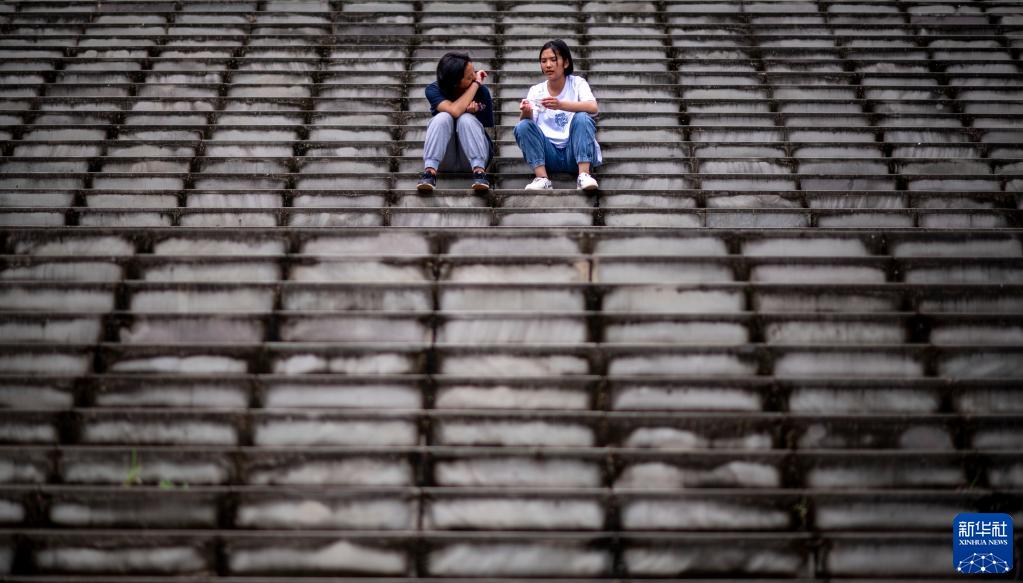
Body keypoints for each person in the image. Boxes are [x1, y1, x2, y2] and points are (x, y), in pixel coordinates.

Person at [515, 39, 601, 191]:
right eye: (543, 61)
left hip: (574, 153)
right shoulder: (536, 90)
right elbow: (527, 126)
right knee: (522, 125)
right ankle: (542, 179)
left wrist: (560, 105)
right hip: (549, 156)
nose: (548, 65)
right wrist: (526, 112)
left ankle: (584, 175)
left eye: (553, 60)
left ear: (565, 63)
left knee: (582, 117)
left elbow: (593, 107)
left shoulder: (577, 83)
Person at [418, 52, 493, 191]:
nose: (474, 77)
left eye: (474, 72)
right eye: (469, 77)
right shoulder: (434, 90)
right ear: (454, 82)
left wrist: (473, 114)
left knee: (467, 119)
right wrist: (476, 84)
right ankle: (430, 172)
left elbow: (484, 129)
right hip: (445, 158)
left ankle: (480, 173)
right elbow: (454, 110)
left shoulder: (482, 92)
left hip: (472, 158)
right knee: (443, 117)